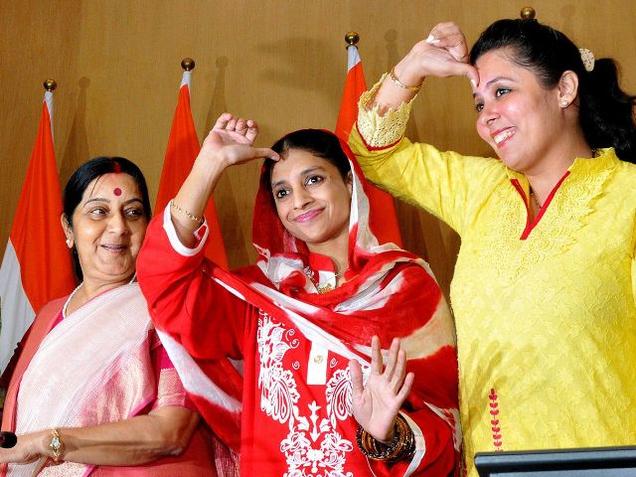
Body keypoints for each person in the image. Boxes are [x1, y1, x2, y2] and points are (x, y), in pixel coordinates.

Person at [347, 17, 636, 477]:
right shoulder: (480, 189)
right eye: (479, 103)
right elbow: (373, 152)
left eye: (503, 92)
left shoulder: (628, 196)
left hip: (610, 462)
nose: (486, 116)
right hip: (494, 464)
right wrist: (411, 69)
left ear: (564, 89)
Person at [136, 113, 461, 476]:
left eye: (314, 179)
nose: (299, 201)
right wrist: (208, 166)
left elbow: (445, 422)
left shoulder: (404, 287)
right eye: (283, 192)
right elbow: (165, 284)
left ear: (349, 181)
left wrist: (388, 433)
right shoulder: (261, 295)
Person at [0, 157, 217, 476]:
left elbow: (171, 433)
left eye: (133, 212)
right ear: (68, 228)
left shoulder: (168, 308)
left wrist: (48, 441)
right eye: (99, 211)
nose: (118, 227)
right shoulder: (48, 316)